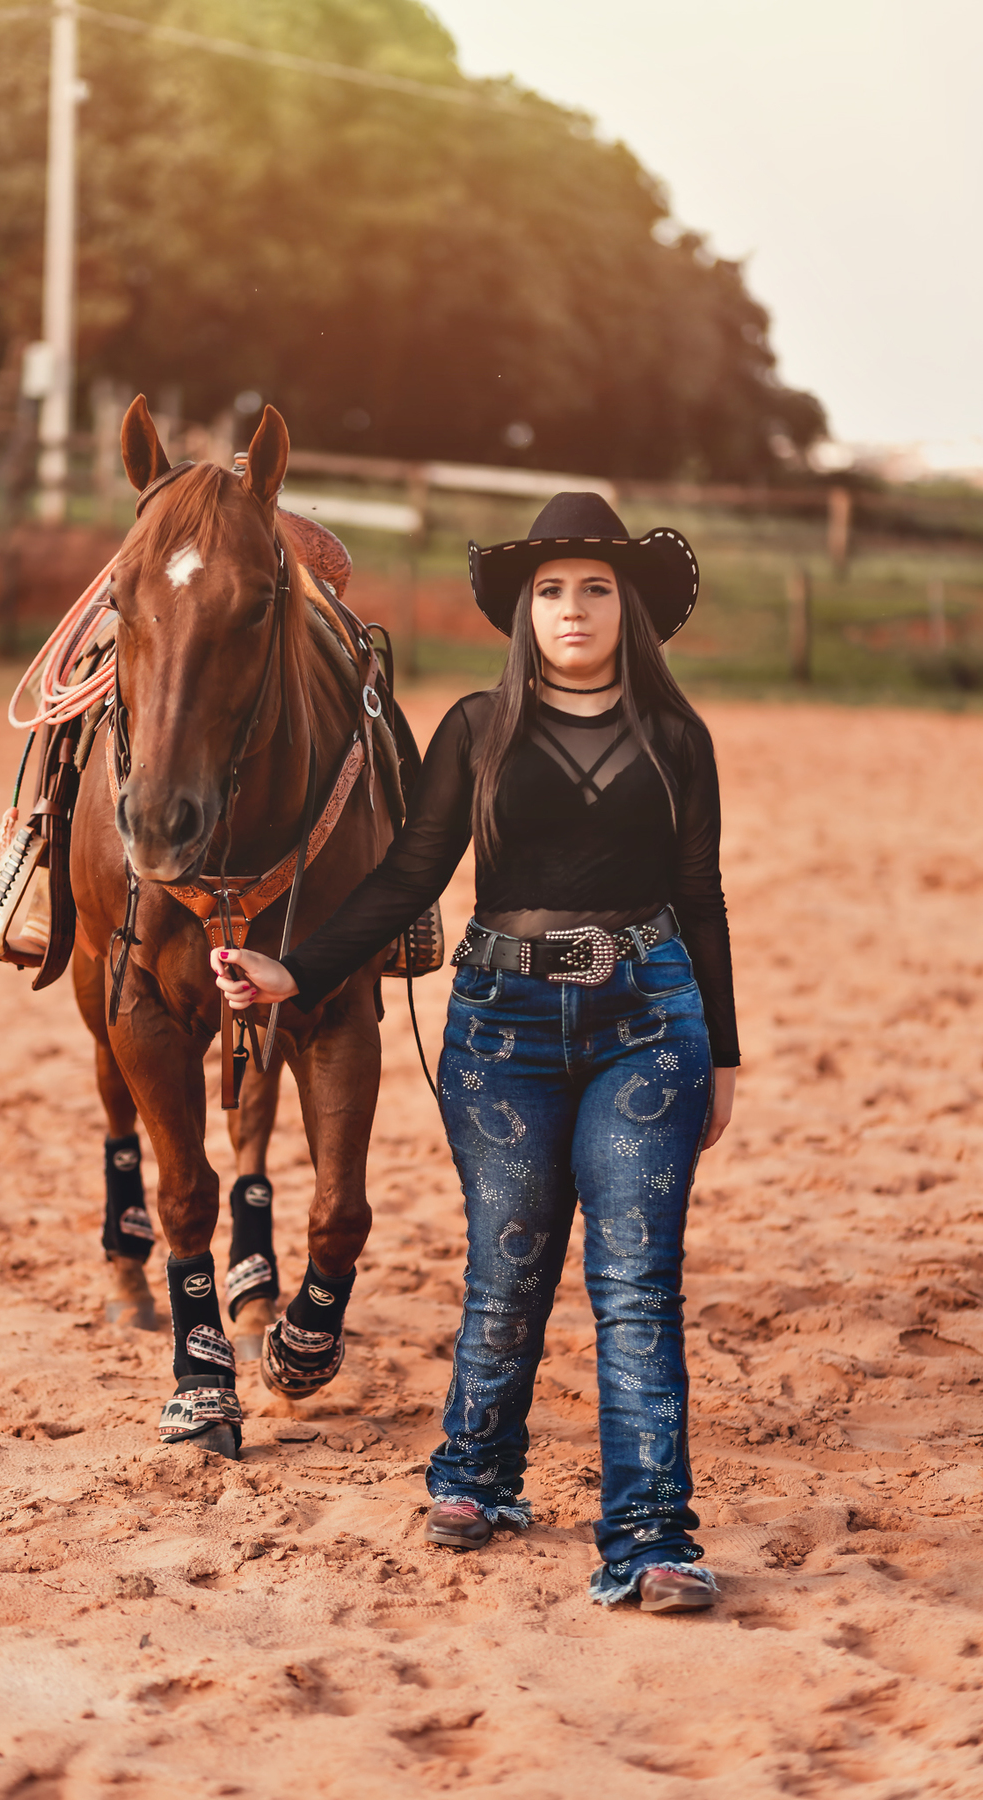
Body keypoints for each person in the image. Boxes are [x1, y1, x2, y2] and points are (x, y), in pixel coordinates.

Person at [212, 492, 738, 1615]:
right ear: (525, 615)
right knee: (507, 1269)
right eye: (552, 591)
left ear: (629, 609)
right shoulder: (473, 729)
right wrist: (294, 970)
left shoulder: (678, 739)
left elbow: (703, 897)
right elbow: (406, 878)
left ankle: (650, 1537)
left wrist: (724, 1055)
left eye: (597, 588)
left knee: (636, 1287)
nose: (573, 608)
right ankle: (477, 1477)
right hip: (500, 1025)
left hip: (652, 1022)